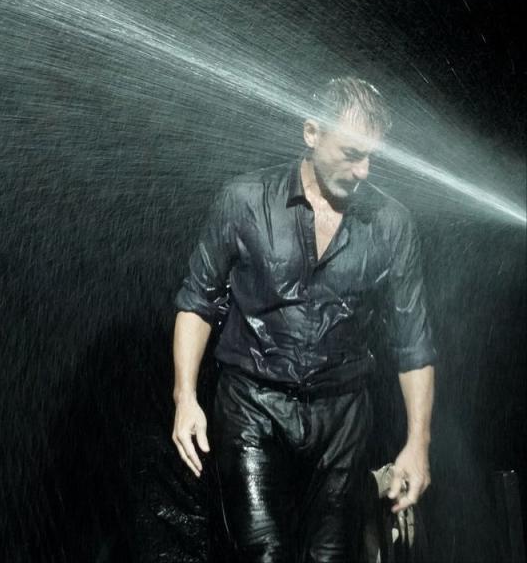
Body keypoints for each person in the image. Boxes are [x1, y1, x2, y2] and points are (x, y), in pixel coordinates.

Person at [170, 77, 436, 562]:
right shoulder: (245, 200)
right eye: (352, 153)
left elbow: (413, 341)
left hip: (342, 418)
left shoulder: (393, 224)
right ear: (312, 133)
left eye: (373, 157)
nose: (363, 170)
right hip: (253, 406)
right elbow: (197, 301)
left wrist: (418, 442)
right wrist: (185, 396)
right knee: (262, 554)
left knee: (331, 558)